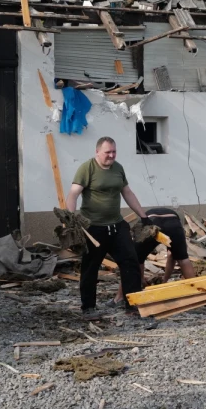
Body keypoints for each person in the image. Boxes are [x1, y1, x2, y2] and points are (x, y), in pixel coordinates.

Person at [66, 136, 150, 318]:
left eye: (114, 152)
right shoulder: (87, 168)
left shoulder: (118, 168)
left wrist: (144, 216)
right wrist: (72, 220)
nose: (111, 155)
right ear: (97, 152)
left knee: (130, 263)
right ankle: (88, 307)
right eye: (107, 152)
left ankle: (132, 306)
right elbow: (73, 195)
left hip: (117, 225)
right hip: (94, 228)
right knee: (91, 267)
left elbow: (127, 192)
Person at [115, 207, 196, 304]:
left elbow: (139, 261)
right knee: (183, 259)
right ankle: (196, 293)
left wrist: (141, 279)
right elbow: (172, 256)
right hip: (173, 224)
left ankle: (119, 297)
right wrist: (165, 280)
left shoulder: (147, 216)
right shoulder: (177, 222)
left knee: (134, 261)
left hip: (150, 223)